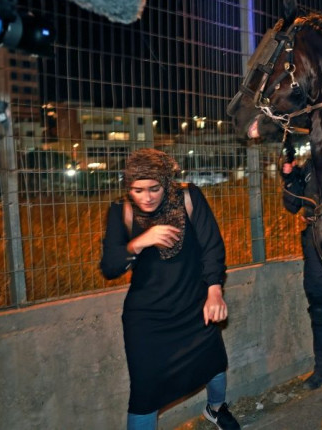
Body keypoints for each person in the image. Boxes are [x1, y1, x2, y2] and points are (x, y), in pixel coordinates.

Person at [100, 149, 240, 430]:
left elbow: (212, 246)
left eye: (155, 188)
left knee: (214, 364)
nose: (147, 196)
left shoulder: (188, 197)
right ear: (129, 187)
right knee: (144, 391)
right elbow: (110, 267)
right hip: (148, 318)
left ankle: (215, 409)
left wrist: (214, 289)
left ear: (166, 182)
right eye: (138, 190)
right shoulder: (122, 211)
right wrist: (140, 241)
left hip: (193, 304)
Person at [281, 154, 322, 390]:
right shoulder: (309, 166)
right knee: (319, 307)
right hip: (315, 239)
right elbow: (292, 205)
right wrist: (289, 177)